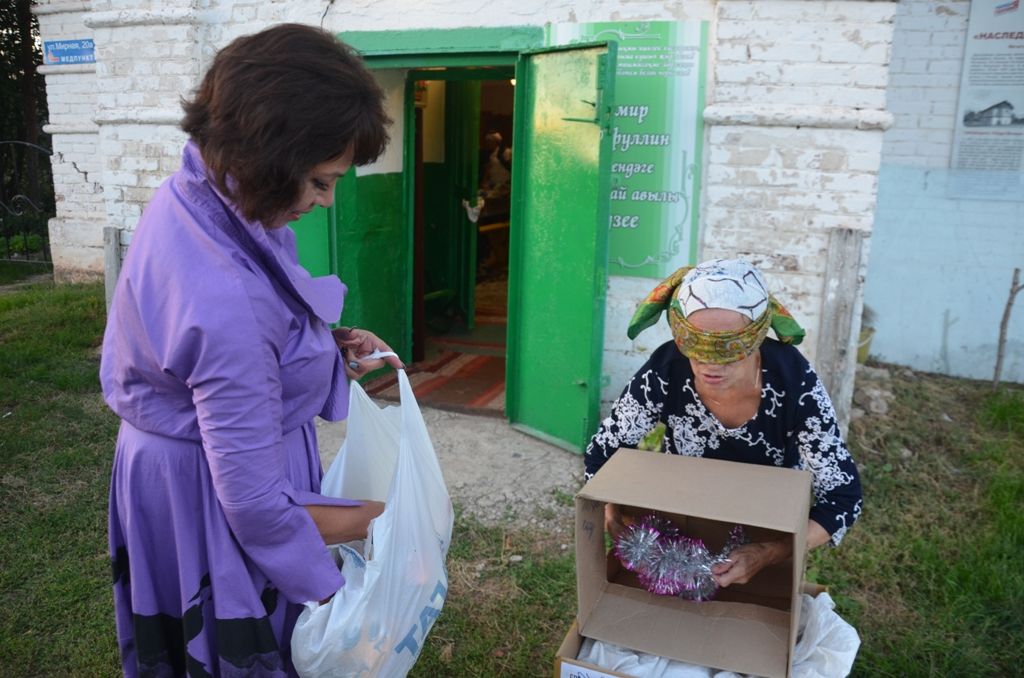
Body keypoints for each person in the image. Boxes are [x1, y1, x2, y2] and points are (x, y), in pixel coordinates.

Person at [100, 24, 403, 677]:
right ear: (268, 156)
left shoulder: (208, 189)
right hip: (209, 491)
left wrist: (325, 347)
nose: (324, 202)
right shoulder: (224, 304)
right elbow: (260, 507)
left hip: (184, 469)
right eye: (321, 182)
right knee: (239, 650)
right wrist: (382, 526)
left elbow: (256, 321)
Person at [585, 258, 863, 589]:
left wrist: (771, 552)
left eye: (727, 349)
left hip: (766, 519)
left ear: (757, 336)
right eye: (695, 346)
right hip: (685, 518)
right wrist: (614, 514)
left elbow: (843, 497)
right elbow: (604, 452)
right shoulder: (667, 369)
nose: (708, 365)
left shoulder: (794, 382)